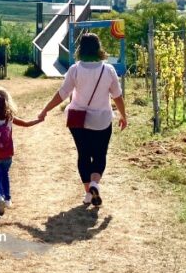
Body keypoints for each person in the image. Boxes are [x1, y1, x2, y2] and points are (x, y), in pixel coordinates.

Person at [37, 33, 127, 207]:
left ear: (80, 49)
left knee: (83, 155)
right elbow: (117, 96)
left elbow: (62, 94)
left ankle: (88, 193)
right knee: (99, 155)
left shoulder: (75, 69)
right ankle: (94, 184)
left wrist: (45, 110)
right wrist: (124, 115)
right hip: (101, 121)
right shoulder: (108, 70)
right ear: (99, 48)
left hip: (78, 121)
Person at [0, 87, 42, 215]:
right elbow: (26, 123)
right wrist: (39, 119)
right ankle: (7, 200)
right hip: (8, 154)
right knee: (5, 174)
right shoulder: (10, 118)